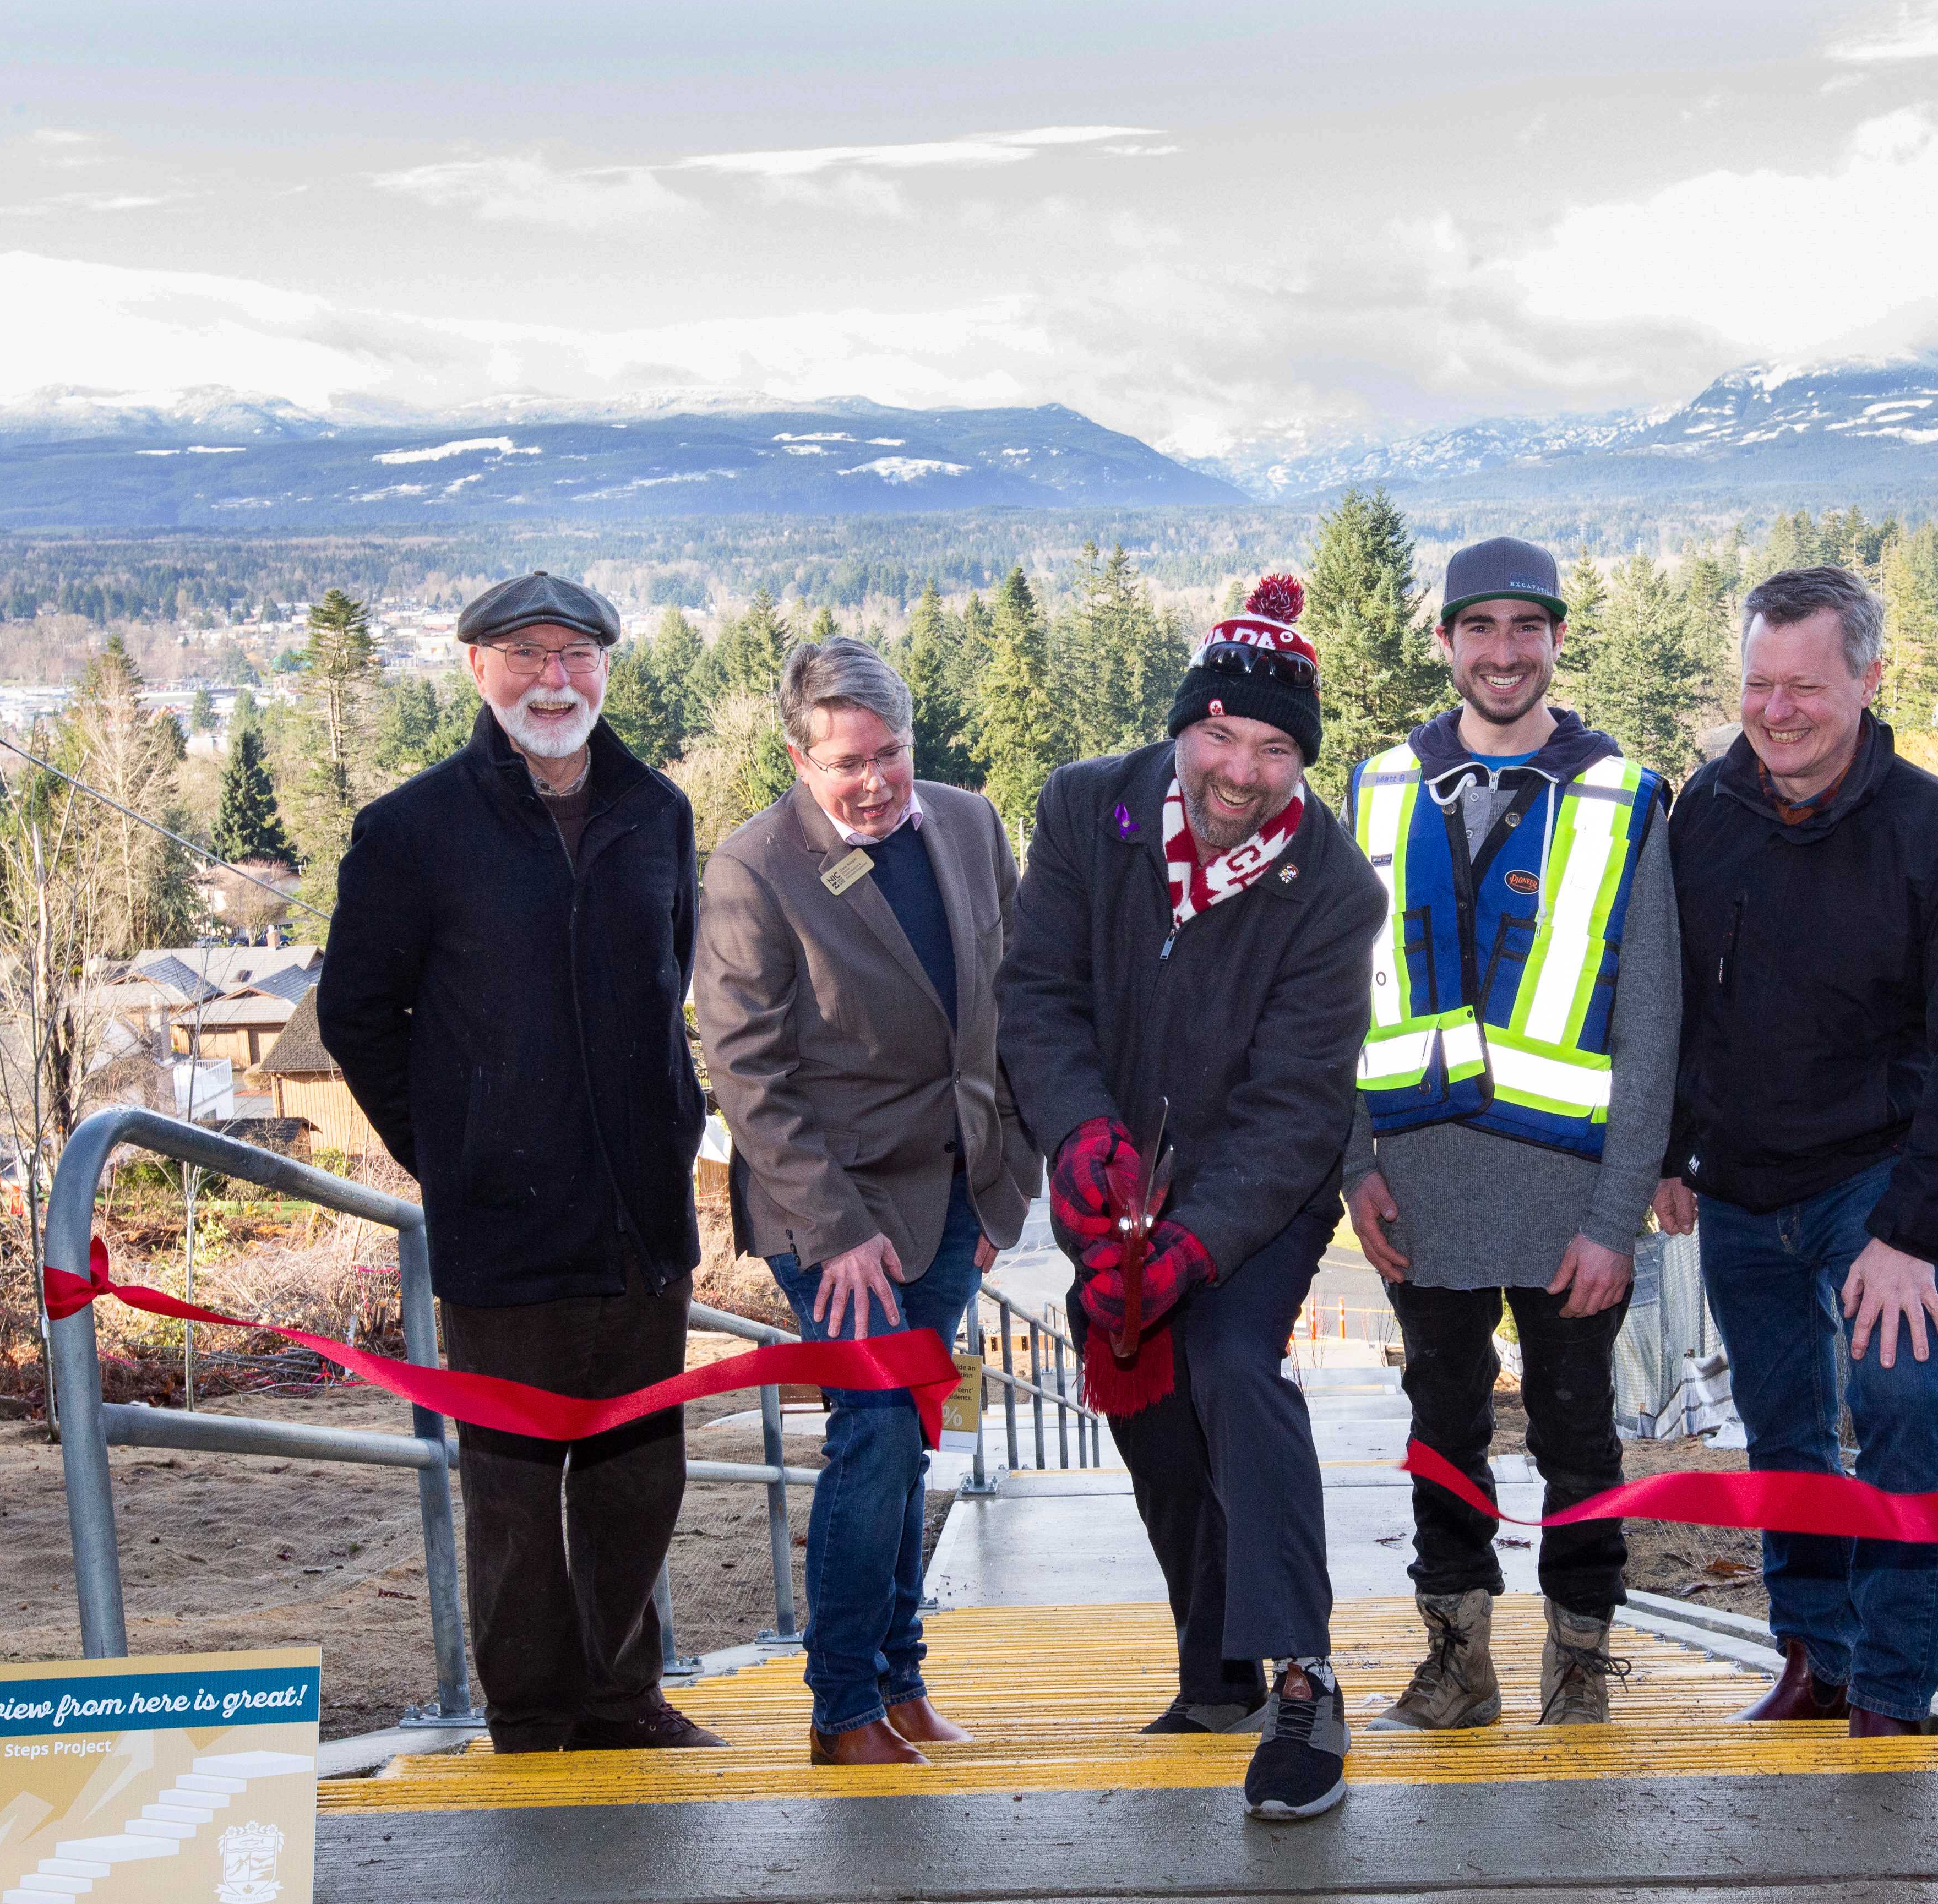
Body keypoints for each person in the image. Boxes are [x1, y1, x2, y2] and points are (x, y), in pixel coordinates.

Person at [997, 575, 1386, 1821]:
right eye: (1220, 733)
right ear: (1183, 726)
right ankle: (1213, 1658)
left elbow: (1298, 1105)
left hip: (1251, 1191)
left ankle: (1303, 1680)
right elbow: (1037, 998)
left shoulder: (1333, 887)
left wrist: (1198, 1245)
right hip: (1109, 1167)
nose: (1241, 769)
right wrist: (1080, 1137)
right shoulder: (1082, 810)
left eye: (1276, 748)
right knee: (1133, 1381)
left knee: (1222, 1360)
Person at [318, 569, 718, 1754]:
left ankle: (622, 1696)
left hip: (642, 1216)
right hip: (502, 1223)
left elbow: (670, 984)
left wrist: (671, 1130)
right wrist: (453, 1151)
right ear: (476, 668)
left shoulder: (659, 813)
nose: (554, 680)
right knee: (510, 1488)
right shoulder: (410, 832)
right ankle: (535, 1714)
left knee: (638, 1472)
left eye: (575, 656)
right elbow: (356, 1015)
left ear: (606, 668)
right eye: (526, 655)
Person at [1656, 566, 1938, 1738]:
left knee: (1904, 1412)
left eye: (1805, 686)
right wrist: (1670, 1150)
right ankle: (1816, 1658)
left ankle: (1897, 1692)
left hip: (1877, 1191)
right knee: (1784, 1436)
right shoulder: (1703, 817)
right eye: (1758, 685)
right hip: (1742, 1194)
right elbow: (1670, 1002)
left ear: (1869, 679)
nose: (1777, 712)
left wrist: (1911, 1235)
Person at [1341, 534, 1678, 1730]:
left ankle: (1580, 1661)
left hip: (1566, 1195)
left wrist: (1615, 1217)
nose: (1502, 652)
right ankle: (1457, 1659)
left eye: (1524, 629)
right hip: (1418, 1189)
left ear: (1556, 642)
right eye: (1477, 629)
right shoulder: (1376, 788)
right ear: (1445, 643)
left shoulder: (1625, 797)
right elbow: (1336, 995)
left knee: (1579, 1437)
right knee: (1442, 1426)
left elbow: (1654, 1029)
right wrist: (1352, 1168)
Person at [696, 637, 1031, 1766]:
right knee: (877, 1430)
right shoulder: (753, 872)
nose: (876, 781)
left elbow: (1021, 1007)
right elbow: (749, 1075)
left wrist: (1004, 1191)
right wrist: (834, 1233)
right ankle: (843, 1706)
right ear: (799, 758)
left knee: (910, 1434)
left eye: (891, 753)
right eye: (847, 763)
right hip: (828, 1207)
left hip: (952, 1192)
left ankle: (902, 1682)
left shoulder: (972, 824)